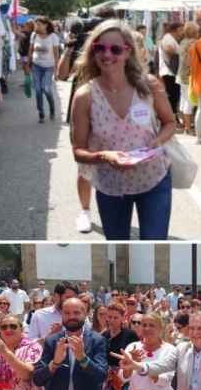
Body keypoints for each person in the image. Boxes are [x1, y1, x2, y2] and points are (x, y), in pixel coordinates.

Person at [70, 20, 176, 240]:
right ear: (93, 51)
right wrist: (104, 156)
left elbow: (170, 122)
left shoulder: (149, 85)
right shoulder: (85, 95)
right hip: (111, 186)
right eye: (100, 47)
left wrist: (156, 142)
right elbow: (78, 150)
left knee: (154, 246)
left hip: (154, 179)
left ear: (128, 52)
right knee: (119, 253)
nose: (107, 54)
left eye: (115, 49)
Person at [30, 17, 60, 123]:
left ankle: (52, 110)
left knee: (46, 89)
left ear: (46, 25)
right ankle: (41, 114)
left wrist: (56, 71)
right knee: (38, 90)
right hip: (36, 66)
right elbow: (31, 50)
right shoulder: (34, 35)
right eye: (36, 24)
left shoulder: (53, 37)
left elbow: (56, 54)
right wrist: (28, 65)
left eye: (39, 24)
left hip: (49, 67)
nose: (36, 26)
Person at [176, 22, 200, 135]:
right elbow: (192, 61)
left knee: (185, 99)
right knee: (189, 101)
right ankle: (188, 127)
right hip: (189, 75)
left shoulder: (183, 42)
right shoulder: (193, 43)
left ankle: (186, 125)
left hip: (181, 74)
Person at [157, 22, 182, 117]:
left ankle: (173, 115)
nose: (182, 32)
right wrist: (179, 53)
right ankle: (172, 115)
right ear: (176, 30)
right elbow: (168, 49)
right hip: (169, 71)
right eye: (181, 29)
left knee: (174, 94)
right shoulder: (168, 38)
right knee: (172, 95)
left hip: (170, 71)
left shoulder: (170, 38)